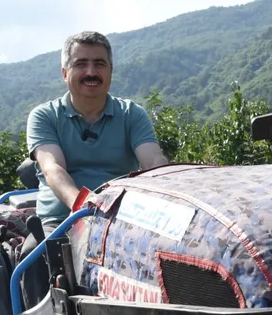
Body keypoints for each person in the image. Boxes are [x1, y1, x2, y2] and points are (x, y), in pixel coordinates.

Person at [26, 30, 169, 238]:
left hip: (121, 219)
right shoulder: (44, 116)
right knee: (36, 257)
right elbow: (52, 168)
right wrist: (83, 205)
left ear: (110, 71)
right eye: (81, 64)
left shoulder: (131, 114)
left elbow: (153, 161)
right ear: (65, 73)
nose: (91, 72)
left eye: (100, 64)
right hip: (61, 222)